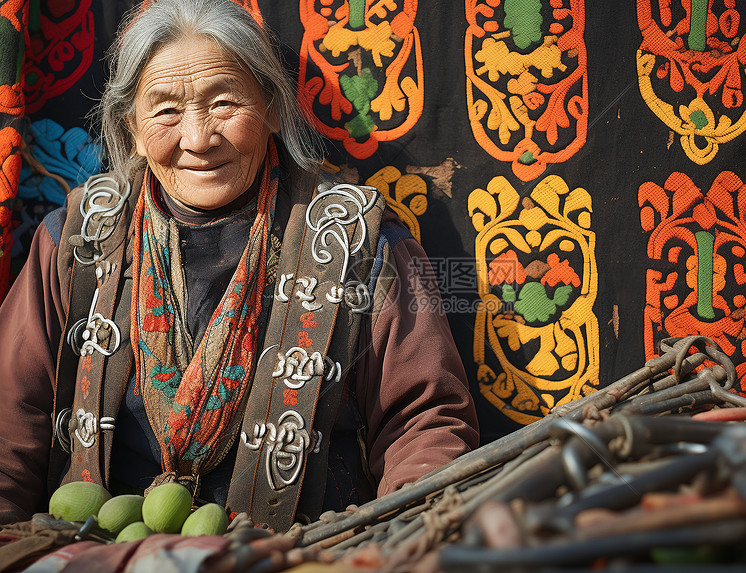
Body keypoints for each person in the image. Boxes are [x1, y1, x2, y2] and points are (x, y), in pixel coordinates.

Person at [0, 0, 477, 531]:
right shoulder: (78, 242)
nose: (199, 139)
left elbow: (423, 425)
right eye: (165, 111)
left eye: (224, 103)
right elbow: (7, 428)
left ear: (273, 108)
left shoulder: (357, 243)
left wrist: (400, 544)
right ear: (131, 127)